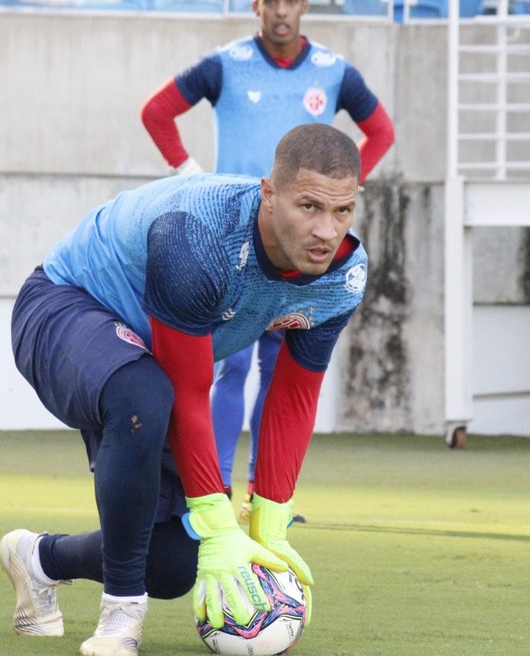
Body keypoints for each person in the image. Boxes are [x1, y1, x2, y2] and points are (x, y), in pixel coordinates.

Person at [0, 123, 367, 656]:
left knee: (172, 563)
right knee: (143, 396)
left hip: (148, 359)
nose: (326, 232)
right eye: (308, 206)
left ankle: (39, 560)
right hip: (63, 304)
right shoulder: (199, 235)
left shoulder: (344, 275)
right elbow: (189, 391)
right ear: (269, 194)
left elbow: (293, 396)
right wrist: (218, 524)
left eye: (342, 211)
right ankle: (120, 617)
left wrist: (270, 523)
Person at [140, 0, 394, 519]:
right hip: (231, 244)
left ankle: (265, 494)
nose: (281, 10)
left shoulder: (335, 70)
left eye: (291, 0)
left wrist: (338, 194)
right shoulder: (223, 64)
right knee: (228, 369)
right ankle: (213, 490)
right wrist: (190, 174)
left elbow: (382, 131)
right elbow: (157, 112)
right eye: (270, 0)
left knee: (282, 370)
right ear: (256, 5)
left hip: (297, 249)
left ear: (304, 5)